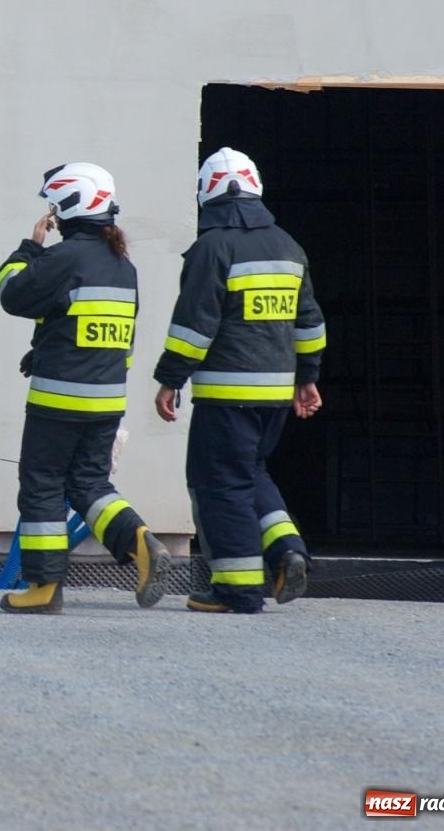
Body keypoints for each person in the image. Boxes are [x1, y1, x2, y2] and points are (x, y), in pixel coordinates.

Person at [153, 147, 324, 613]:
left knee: (219, 484)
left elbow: (194, 324)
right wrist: (306, 378)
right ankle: (288, 550)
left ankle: (238, 589)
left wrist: (171, 379)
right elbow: (309, 323)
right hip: (274, 395)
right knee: (251, 473)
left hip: (227, 394)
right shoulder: (289, 246)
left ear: (207, 193)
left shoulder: (213, 247)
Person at [0, 163, 170, 614]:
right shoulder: (123, 267)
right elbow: (107, 335)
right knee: (90, 484)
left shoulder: (62, 258)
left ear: (70, 205)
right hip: (107, 397)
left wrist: (29, 246)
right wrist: (47, 346)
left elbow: (12, 293)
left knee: (42, 484)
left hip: (58, 399)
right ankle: (139, 541)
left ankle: (43, 587)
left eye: (55, 205)